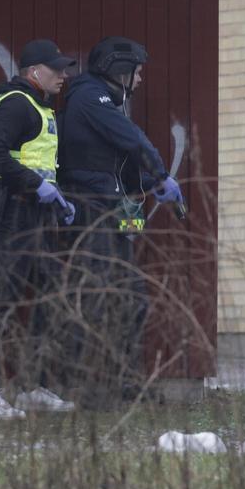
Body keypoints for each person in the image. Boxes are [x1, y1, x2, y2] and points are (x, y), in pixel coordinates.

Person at [56, 36, 184, 408]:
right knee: (95, 298)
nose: (141, 80)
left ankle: (127, 383)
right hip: (91, 210)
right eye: (137, 72)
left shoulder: (106, 101)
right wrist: (160, 174)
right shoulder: (89, 98)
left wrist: (147, 185)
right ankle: (84, 387)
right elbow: (132, 140)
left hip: (109, 207)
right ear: (119, 70)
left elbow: (113, 164)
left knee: (131, 299)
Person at [0, 39, 78, 419]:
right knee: (2, 302)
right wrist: (37, 186)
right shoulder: (17, 103)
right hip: (16, 213)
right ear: (35, 71)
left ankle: (34, 387)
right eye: (57, 69)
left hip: (38, 214)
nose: (64, 75)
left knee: (49, 299)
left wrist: (58, 199)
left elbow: (38, 162)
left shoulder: (39, 106)